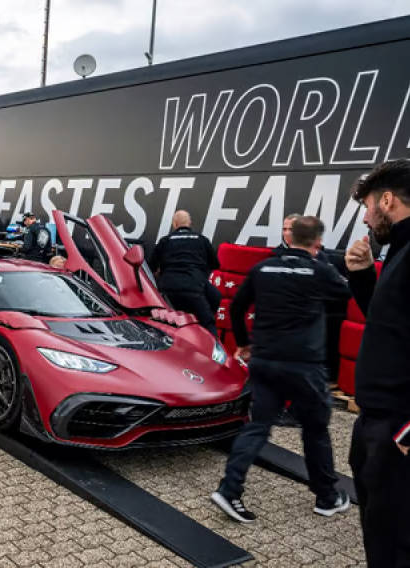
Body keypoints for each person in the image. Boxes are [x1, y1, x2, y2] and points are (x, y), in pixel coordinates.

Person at [211, 216, 352, 524]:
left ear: (290, 237)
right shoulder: (320, 269)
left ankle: (229, 489)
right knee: (315, 430)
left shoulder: (263, 268)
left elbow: (236, 306)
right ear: (317, 242)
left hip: (265, 360)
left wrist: (245, 343)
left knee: (257, 426)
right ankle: (327, 498)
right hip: (304, 365)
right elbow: (346, 295)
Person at [344, 159, 410, 567]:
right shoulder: (400, 251)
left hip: (397, 427)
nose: (367, 216)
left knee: (396, 543)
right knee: (380, 534)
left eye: (368, 206)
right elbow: (390, 328)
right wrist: (363, 277)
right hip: (374, 423)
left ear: (387, 200)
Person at [148, 210, 221, 334]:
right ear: (189, 223)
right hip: (194, 287)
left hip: (167, 290)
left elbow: (150, 268)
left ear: (174, 224)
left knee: (159, 327)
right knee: (209, 322)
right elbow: (215, 264)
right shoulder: (202, 240)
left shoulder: (165, 241)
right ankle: (210, 346)